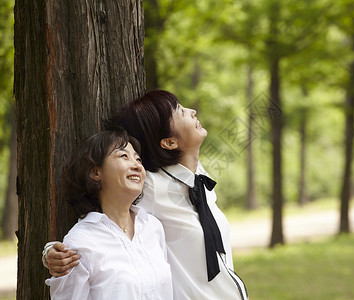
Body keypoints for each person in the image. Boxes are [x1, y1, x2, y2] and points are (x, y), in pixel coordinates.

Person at [44, 90, 248, 300]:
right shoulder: (151, 187)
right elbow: (106, 212)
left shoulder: (199, 177)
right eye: (180, 111)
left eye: (137, 159)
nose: (192, 111)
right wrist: (53, 251)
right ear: (168, 142)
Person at [45, 129, 173, 300]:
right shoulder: (79, 243)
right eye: (124, 156)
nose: (137, 165)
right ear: (96, 173)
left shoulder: (153, 227)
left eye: (138, 159)